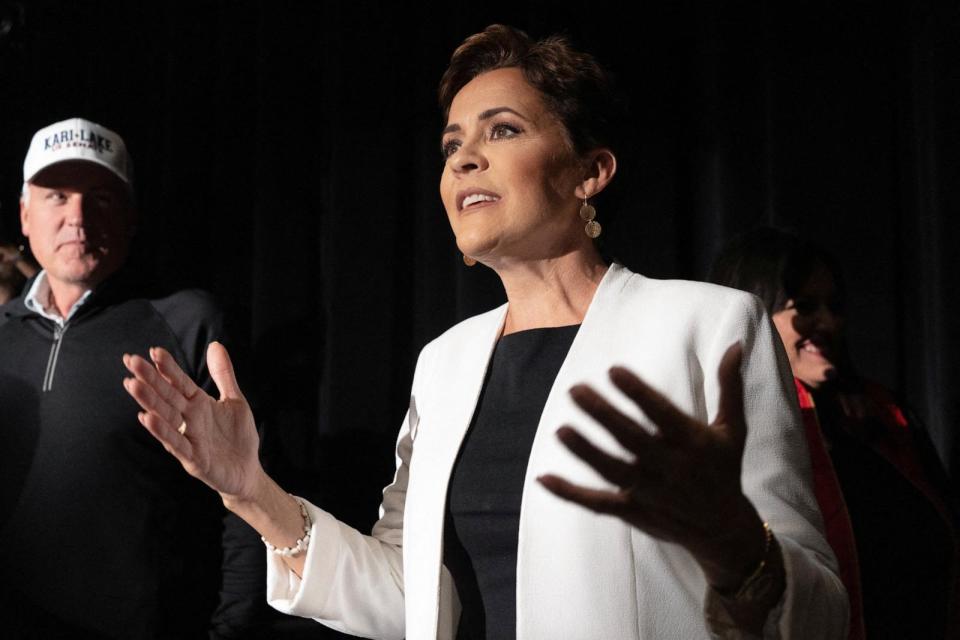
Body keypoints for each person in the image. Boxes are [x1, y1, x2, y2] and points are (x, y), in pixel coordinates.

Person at [122, 27, 848, 639]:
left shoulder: (707, 326)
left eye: (503, 130)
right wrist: (251, 493)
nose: (464, 158)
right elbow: (409, 596)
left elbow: (823, 614)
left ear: (590, 172)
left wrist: (736, 551)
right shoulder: (447, 363)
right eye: (451, 144)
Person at [0, 117, 258, 639]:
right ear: (25, 215)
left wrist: (232, 629)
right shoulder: (2, 336)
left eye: (100, 198)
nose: (77, 218)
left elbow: (247, 496)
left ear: (131, 216)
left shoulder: (186, 322)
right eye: (56, 196)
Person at [710, 227, 959, 639]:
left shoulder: (883, 416)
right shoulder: (729, 428)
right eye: (805, 306)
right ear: (752, 317)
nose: (828, 322)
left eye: (834, 306)